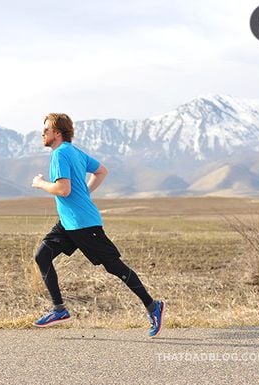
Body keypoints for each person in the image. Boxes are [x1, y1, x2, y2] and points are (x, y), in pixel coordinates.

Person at [31, 113, 165, 337]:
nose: (42, 133)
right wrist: (84, 195)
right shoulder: (74, 152)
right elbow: (102, 170)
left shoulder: (59, 154)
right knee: (42, 256)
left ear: (57, 133)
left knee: (115, 267)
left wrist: (40, 183)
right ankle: (59, 310)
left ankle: (153, 307)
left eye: (46, 129)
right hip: (69, 223)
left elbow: (63, 189)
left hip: (83, 224)